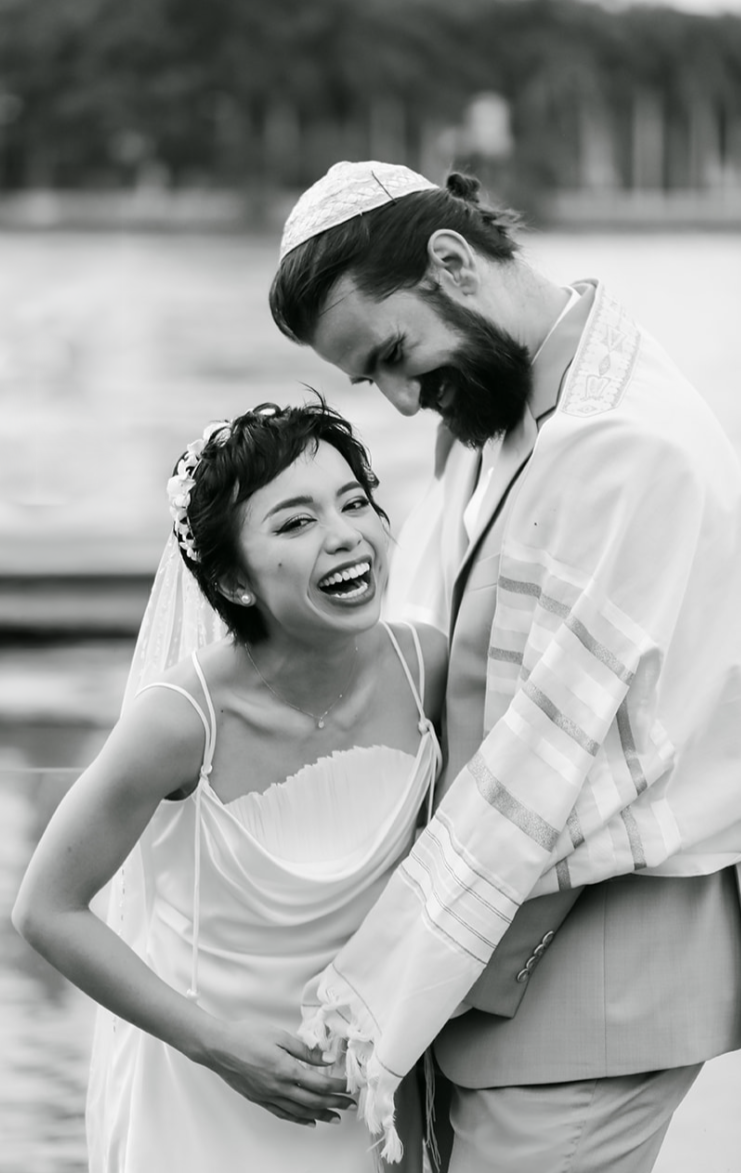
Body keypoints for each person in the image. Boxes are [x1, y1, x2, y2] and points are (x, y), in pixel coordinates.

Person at [269, 161, 741, 1172]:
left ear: (451, 263)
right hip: (493, 959)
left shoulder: (620, 442)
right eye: (370, 380)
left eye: (395, 356)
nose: (398, 402)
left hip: (591, 982)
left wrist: (378, 987)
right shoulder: (493, 410)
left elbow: (543, 764)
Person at [12, 398, 448, 1173]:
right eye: (294, 523)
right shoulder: (180, 723)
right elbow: (46, 908)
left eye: (355, 503)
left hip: (364, 1096)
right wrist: (222, 1050)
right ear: (232, 581)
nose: (346, 535)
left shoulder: (429, 670)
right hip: (203, 1097)